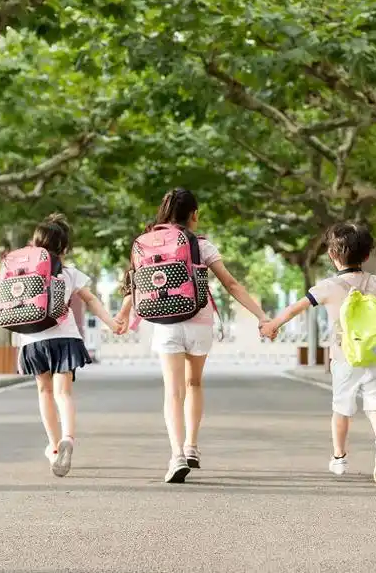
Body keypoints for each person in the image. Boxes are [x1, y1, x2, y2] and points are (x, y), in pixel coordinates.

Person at [0, 214, 121, 478]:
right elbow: (91, 300)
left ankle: (55, 447)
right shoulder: (69, 273)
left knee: (45, 393)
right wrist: (112, 322)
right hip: (65, 337)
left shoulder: (17, 274)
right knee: (64, 394)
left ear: (33, 244)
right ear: (65, 249)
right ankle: (68, 437)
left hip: (33, 340)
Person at [115, 188, 270, 483]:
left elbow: (136, 284)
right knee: (194, 383)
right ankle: (191, 446)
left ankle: (175, 456)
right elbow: (232, 285)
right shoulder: (202, 245)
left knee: (173, 392)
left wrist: (123, 315)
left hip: (165, 324)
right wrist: (262, 317)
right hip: (199, 321)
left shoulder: (146, 243)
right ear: (194, 214)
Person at [260, 222, 376, 484]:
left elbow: (294, 309)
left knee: (342, 409)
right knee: (375, 405)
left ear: (331, 255)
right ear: (367, 255)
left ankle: (339, 457)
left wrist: (271, 326)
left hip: (345, 359)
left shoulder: (327, 287)